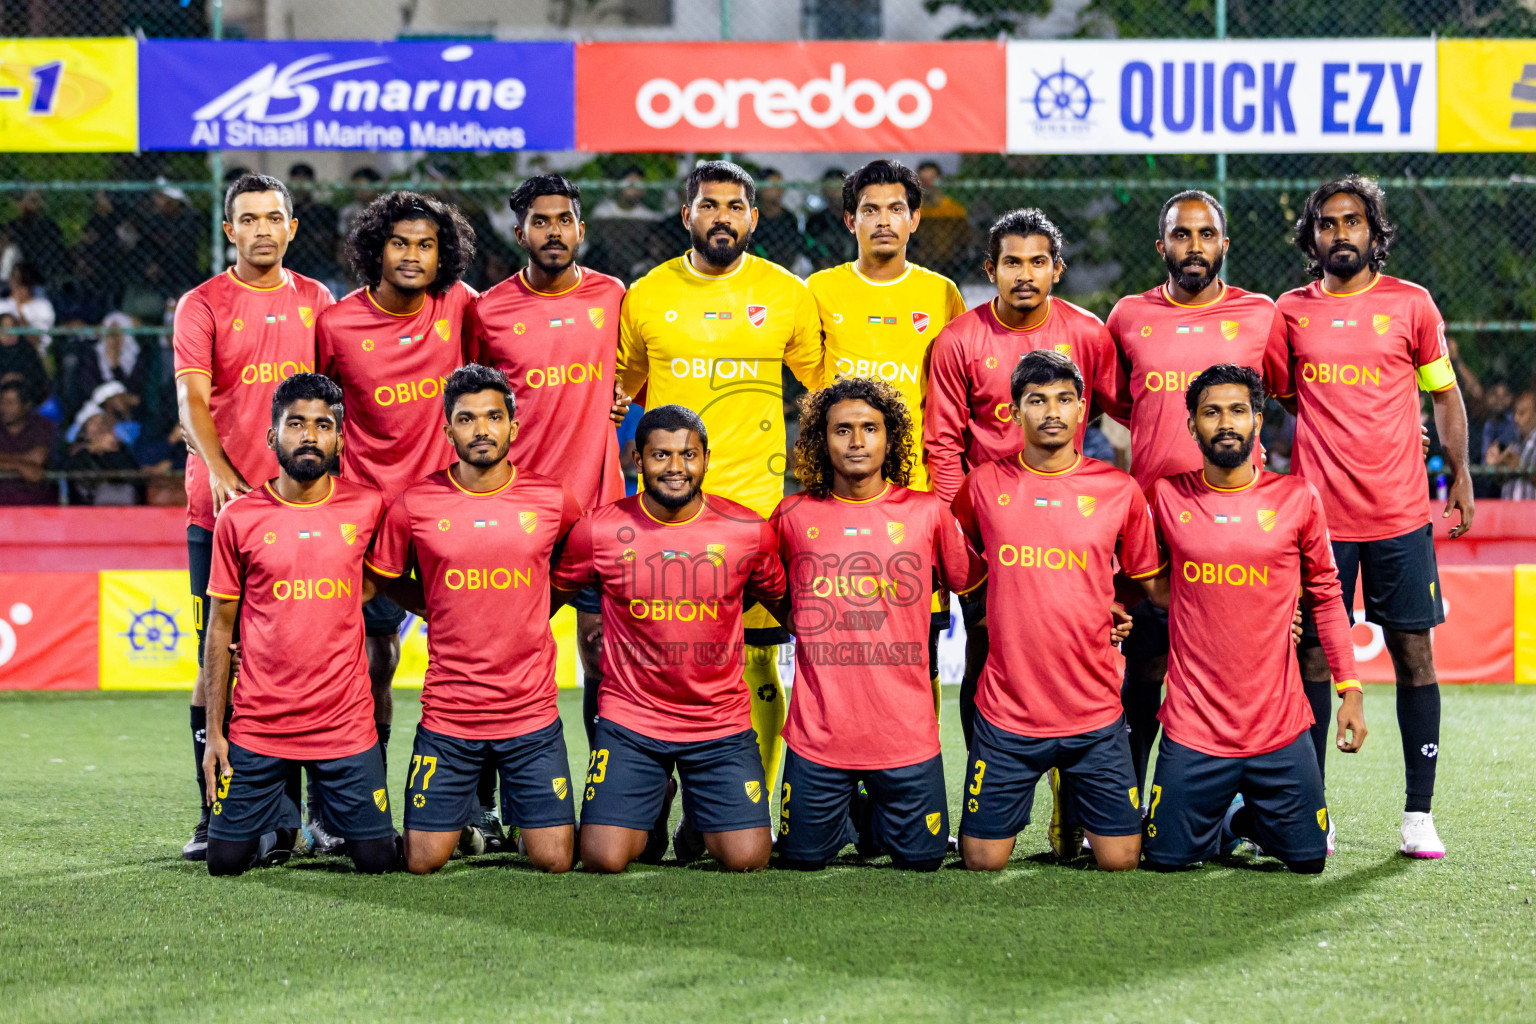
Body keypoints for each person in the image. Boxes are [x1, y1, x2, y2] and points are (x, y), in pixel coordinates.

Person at [616, 160, 823, 860]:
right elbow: (622, 393)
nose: (723, 217)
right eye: (709, 205)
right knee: (666, 660)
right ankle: (650, 799)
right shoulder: (646, 295)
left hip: (756, 515)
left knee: (759, 665)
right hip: (667, 514)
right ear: (687, 216)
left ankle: (734, 810)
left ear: (754, 218)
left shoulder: (787, 294)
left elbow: (822, 396)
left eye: (736, 206)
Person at [1279, 176, 1474, 858]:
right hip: (1317, 523)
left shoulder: (1412, 305)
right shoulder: (1290, 312)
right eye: (1327, 224)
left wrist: (1459, 475)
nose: (1340, 233)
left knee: (1414, 655)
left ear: (1373, 230)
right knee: (1308, 655)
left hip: (1398, 516)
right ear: (1313, 237)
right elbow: (1280, 391)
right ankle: (1313, 814)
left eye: (1352, 221)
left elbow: (1443, 395)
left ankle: (1419, 813)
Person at [1142, 364, 1366, 874]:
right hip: (1193, 726)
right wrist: (1195, 603)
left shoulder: (1298, 498)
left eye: (1238, 411)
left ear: (1258, 420)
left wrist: (1350, 689)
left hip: (1279, 728)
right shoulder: (1166, 496)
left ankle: (1239, 821)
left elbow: (1328, 598)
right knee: (1166, 860)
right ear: (1192, 423)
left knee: (1309, 860)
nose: (1226, 423)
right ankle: (1219, 819)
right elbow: (1139, 577)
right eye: (1212, 412)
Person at [1105, 190, 1290, 802]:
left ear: (1224, 246)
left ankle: (1251, 809)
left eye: (1205, 235)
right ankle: (1124, 801)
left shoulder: (1262, 315)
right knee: (1145, 669)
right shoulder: (1128, 316)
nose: (1194, 247)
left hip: (1240, 528)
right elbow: (1119, 402)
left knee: (1240, 670)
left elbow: (1295, 394)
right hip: (1153, 528)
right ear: (1162, 246)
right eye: (1181, 236)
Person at [172, 172, 334, 862]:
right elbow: (193, 404)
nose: (262, 229)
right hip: (221, 514)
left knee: (306, 653)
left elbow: (333, 405)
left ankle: (309, 815)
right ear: (228, 229)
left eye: (274, 217)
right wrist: (223, 474)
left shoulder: (317, 302)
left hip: (306, 515)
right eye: (249, 218)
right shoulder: (201, 304)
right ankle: (216, 813)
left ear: (291, 228)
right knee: (220, 656)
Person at [951, 351, 1164, 872]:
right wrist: (981, 606)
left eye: (1065, 399)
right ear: (1014, 411)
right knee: (982, 861)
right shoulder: (982, 485)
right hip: (1008, 713)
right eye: (1037, 400)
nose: (1052, 411)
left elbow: (1143, 576)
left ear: (1082, 409)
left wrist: (1115, 601)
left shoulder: (1118, 489)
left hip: (1092, 711)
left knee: (1120, 861)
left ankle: (1074, 803)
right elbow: (959, 559)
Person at [551, 405, 786, 874]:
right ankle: (656, 792)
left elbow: (795, 610)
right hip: (631, 719)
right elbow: (543, 603)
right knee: (602, 858)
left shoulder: (747, 531)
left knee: (747, 859)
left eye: (688, 455)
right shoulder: (598, 530)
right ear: (637, 458)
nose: (676, 468)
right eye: (661, 455)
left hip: (718, 723)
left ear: (705, 459)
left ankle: (703, 810)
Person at [365, 365, 581, 874]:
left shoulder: (553, 500)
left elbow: (577, 564)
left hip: (531, 715)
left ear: (513, 426)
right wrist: (432, 603)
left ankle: (522, 819)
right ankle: (465, 819)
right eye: (466, 419)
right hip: (449, 715)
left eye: (492, 417)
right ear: (448, 431)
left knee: (556, 860)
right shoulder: (415, 504)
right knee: (421, 862)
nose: (481, 429)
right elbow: (384, 575)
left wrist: (538, 603)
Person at [926, 208, 1128, 752]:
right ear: (991, 268)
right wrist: (958, 537)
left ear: (1056, 269)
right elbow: (942, 445)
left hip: (1072, 532)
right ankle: (982, 778)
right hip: (989, 537)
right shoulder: (957, 340)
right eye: (1011, 262)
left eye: (1037, 262)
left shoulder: (1087, 333)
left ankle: (1073, 805)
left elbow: (1130, 409)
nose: (1024, 274)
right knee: (987, 653)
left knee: (1077, 654)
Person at [315, 190, 478, 844]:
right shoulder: (335, 325)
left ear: (444, 254)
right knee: (368, 662)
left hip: (448, 515)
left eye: (426, 244)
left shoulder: (461, 306)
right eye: (400, 243)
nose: (413, 256)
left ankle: (474, 806)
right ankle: (357, 804)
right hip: (371, 517)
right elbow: (317, 410)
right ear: (376, 248)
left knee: (470, 658)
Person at [767, 376, 982, 871]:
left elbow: (975, 586)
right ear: (822, 439)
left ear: (891, 438)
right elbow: (769, 584)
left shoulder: (926, 511)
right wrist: (798, 618)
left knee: (924, 861)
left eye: (870, 428)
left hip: (906, 736)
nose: (858, 441)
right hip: (818, 739)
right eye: (843, 430)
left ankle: (868, 817)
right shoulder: (793, 514)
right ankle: (850, 815)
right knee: (799, 860)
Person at [200, 373, 397, 876]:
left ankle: (313, 823)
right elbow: (220, 628)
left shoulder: (368, 507)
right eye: (296, 424)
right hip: (260, 725)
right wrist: (216, 734)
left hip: (345, 725)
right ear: (272, 437)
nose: (310, 435)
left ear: (339, 439)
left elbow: (375, 582)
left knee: (377, 860)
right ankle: (284, 825)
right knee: (225, 862)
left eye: (323, 425)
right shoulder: (239, 518)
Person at [471, 175, 631, 777]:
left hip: (594, 512)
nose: (554, 231)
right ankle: (485, 802)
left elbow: (638, 365)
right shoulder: (488, 310)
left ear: (581, 229)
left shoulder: (613, 295)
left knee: (600, 652)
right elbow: (471, 402)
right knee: (503, 657)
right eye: (541, 221)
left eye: (564, 219)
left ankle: (606, 787)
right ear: (520, 234)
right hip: (515, 518)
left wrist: (625, 394)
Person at [807, 158, 967, 710]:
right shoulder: (820, 290)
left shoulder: (942, 294)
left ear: (915, 219)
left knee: (917, 649)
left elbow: (953, 387)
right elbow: (812, 386)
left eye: (895, 208)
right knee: (839, 645)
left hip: (915, 500)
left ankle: (913, 768)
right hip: (839, 499)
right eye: (869, 209)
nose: (883, 220)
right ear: (850, 220)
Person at [0, 380, 54, 505]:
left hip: (37, 505)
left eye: (11, 403)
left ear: (26, 405)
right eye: (2, 402)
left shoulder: (41, 425)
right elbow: (33, 468)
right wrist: (23, 466)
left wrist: (4, 462)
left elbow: (38, 459)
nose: (4, 408)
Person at [752, 169, 802, 269]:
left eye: (780, 185)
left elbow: (793, 249)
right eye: (773, 185)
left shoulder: (789, 218)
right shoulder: (752, 217)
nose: (779, 189)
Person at [1493, 390, 1536, 499]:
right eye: (1515, 413)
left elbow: (1521, 468)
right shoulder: (1514, 441)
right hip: (1510, 511)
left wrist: (1520, 467)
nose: (1516, 418)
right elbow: (1500, 481)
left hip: (1530, 512)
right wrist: (1498, 465)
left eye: (1521, 413)